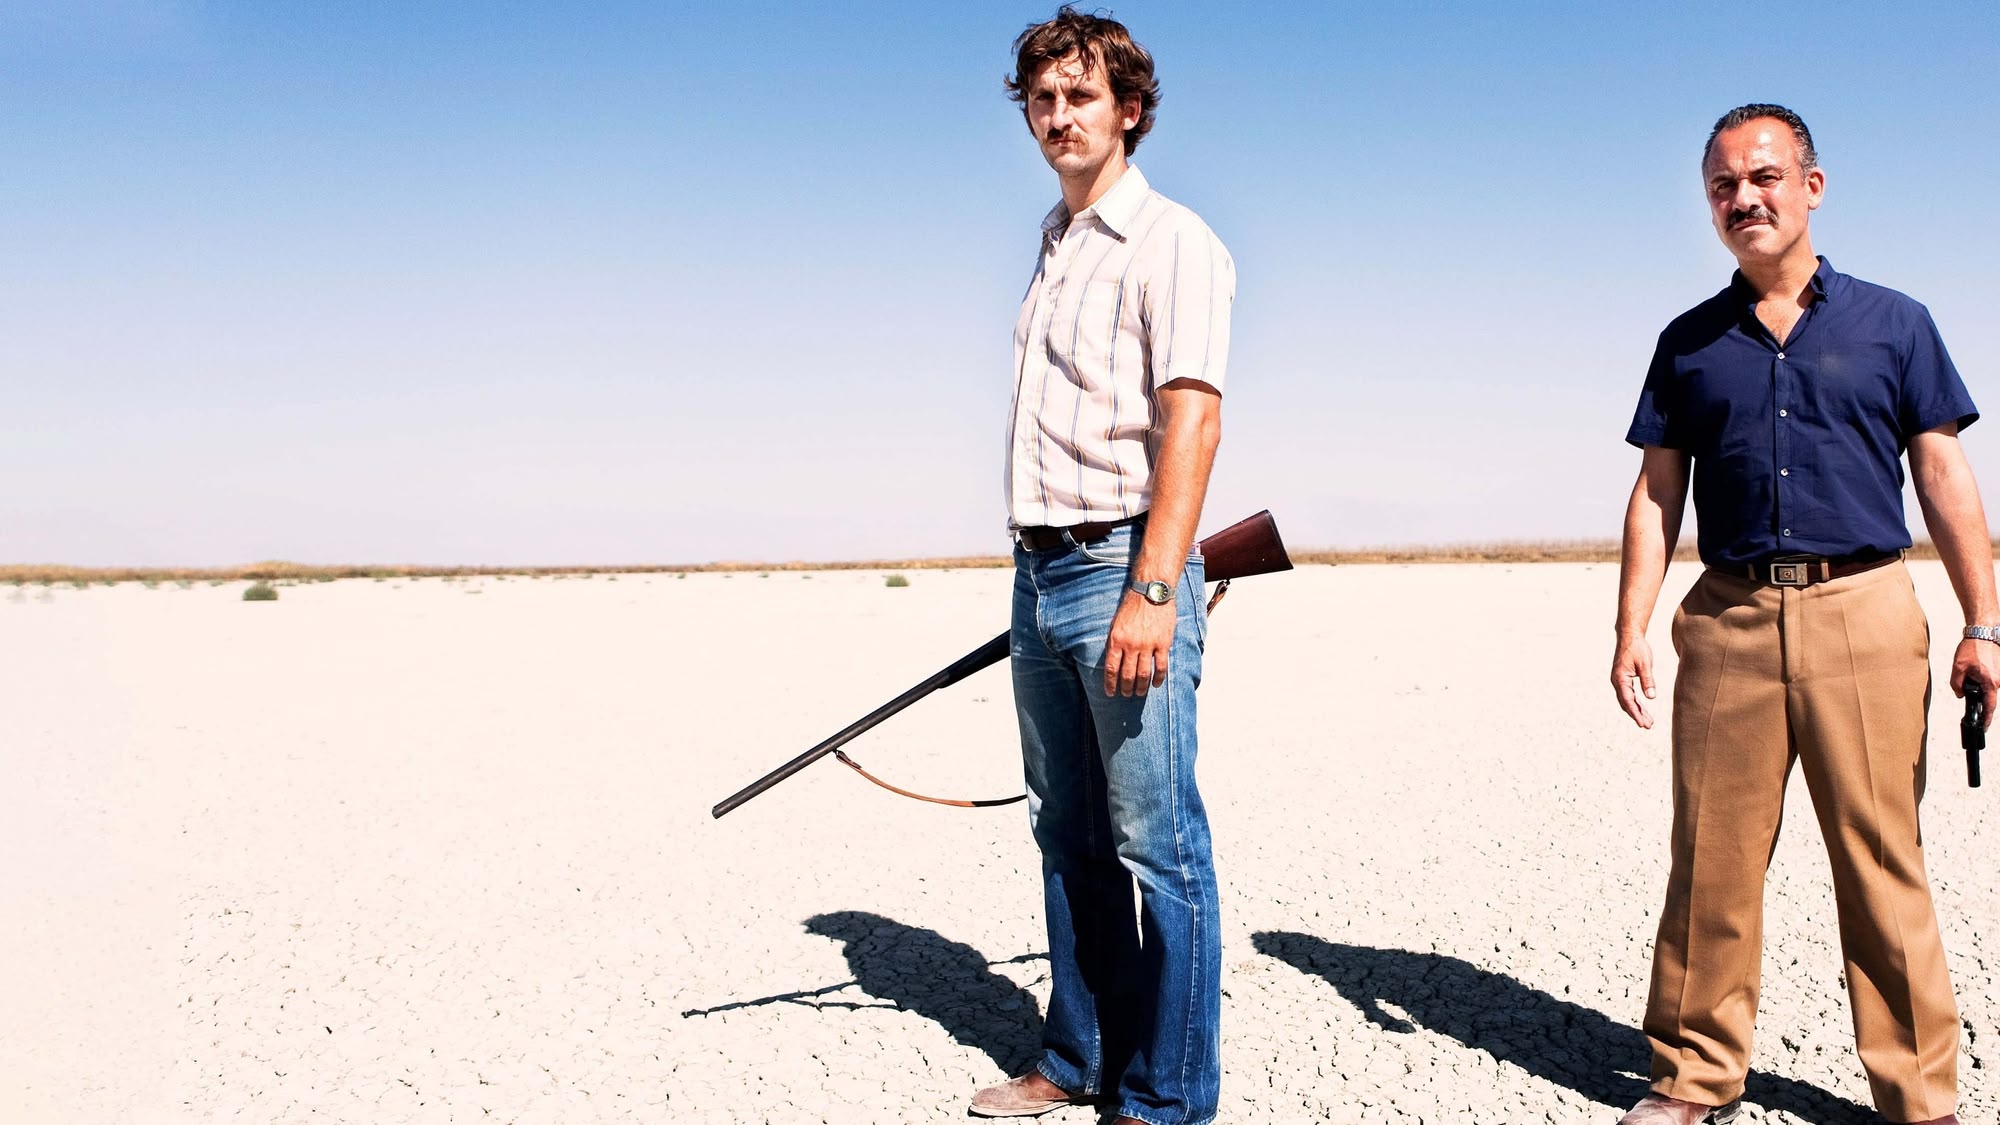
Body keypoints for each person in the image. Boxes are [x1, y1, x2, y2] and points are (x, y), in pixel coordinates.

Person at [1610, 103, 1992, 1125]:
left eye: (1764, 176)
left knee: (1880, 862)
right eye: (1723, 186)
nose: (1744, 198)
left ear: (1811, 187)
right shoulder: (1687, 343)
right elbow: (1656, 493)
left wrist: (1982, 623)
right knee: (1711, 861)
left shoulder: (1895, 323)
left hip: (1863, 611)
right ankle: (1693, 1076)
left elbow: (1943, 475)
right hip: (1727, 621)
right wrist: (1629, 627)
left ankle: (1919, 1097)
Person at [968, 8, 1233, 1125]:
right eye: (1041, 97)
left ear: (1128, 110)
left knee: (1158, 846)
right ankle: (1076, 1056)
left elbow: (1192, 421)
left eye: (1080, 95)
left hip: (1123, 565)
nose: (1057, 115)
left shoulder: (1173, 241)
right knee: (1064, 833)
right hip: (1038, 570)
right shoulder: (1054, 241)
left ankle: (1166, 1097)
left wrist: (1153, 590)